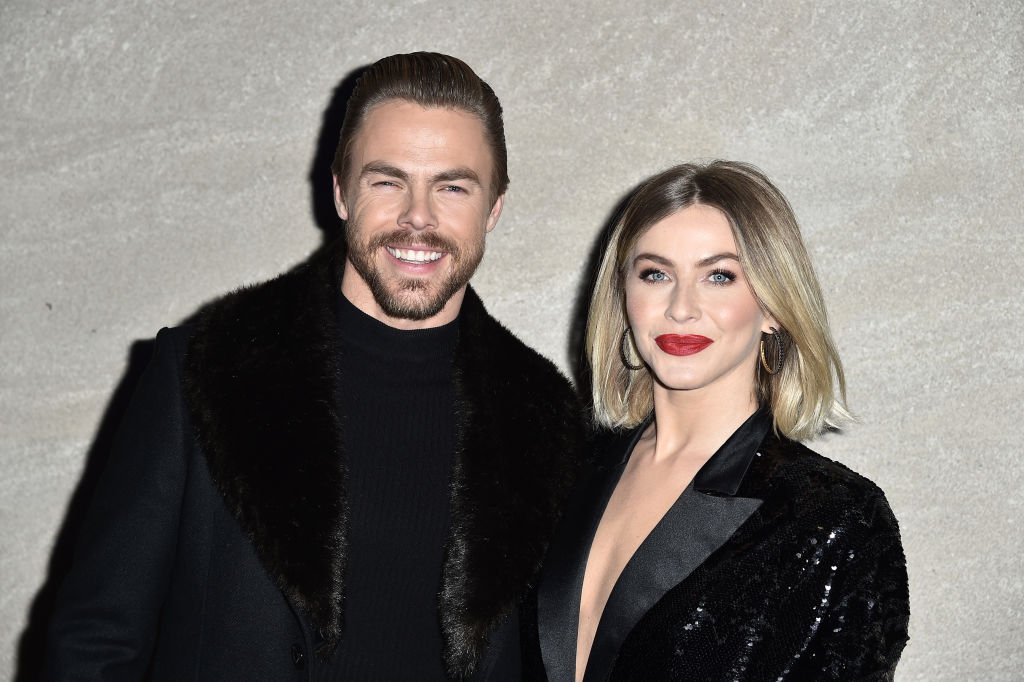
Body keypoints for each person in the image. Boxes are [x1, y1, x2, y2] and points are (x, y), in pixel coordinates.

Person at [44, 52, 584, 680]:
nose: (418, 217)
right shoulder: (206, 370)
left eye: (453, 186)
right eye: (387, 181)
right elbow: (96, 637)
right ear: (340, 191)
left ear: (493, 209)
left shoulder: (546, 419)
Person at [522, 161, 909, 680]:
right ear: (624, 297)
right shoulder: (559, 470)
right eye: (655, 274)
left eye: (719, 276)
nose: (681, 308)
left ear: (773, 306)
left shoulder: (834, 519)